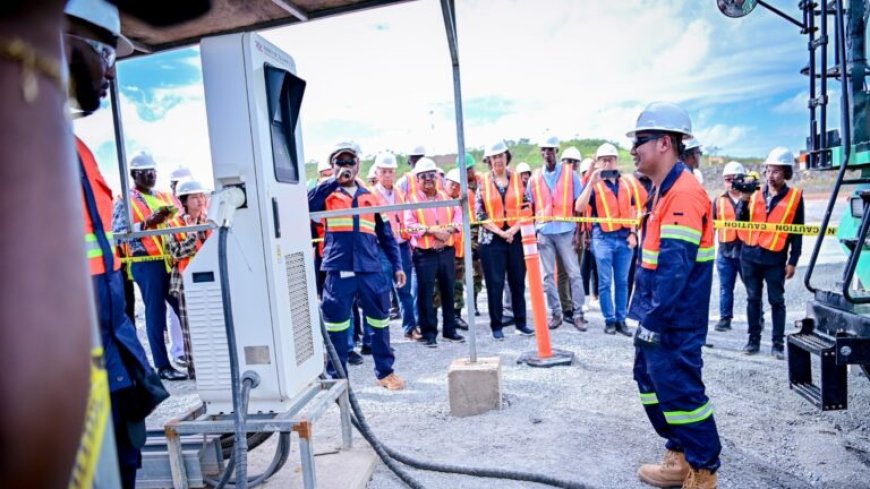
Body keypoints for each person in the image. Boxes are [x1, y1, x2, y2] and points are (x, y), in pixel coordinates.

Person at [67, 0, 166, 485]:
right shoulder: (21, 141)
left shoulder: (72, 144)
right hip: (67, 364)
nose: (110, 69)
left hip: (108, 345)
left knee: (123, 456)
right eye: (103, 51)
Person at [627, 102, 721, 489]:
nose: (634, 150)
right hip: (660, 313)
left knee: (680, 388)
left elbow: (675, 267)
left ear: (665, 143)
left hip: (673, 318)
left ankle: (703, 470)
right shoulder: (662, 191)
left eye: (640, 141)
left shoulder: (682, 194)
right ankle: (680, 455)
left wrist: (655, 319)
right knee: (651, 380)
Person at [309, 141, 407, 390]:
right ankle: (336, 378)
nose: (345, 166)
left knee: (379, 322)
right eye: (340, 162)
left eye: (349, 162)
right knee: (336, 325)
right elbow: (308, 206)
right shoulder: (326, 194)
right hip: (338, 269)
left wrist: (397, 265)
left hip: (370, 269)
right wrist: (333, 180)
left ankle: (385, 372)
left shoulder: (370, 197)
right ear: (332, 166)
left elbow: (386, 234)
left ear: (358, 165)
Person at [113, 153, 187, 381]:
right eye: (146, 172)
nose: (152, 176)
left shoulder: (164, 195)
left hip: (168, 259)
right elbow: (117, 234)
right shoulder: (125, 201)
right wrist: (146, 223)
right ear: (135, 175)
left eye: (154, 171)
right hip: (145, 263)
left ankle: (196, 358)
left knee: (183, 308)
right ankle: (163, 365)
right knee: (156, 312)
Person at [736, 147, 804, 359]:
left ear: (786, 173)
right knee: (752, 299)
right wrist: (743, 201)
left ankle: (777, 344)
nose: (770, 176)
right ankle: (753, 340)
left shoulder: (794, 197)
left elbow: (798, 231)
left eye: (776, 172)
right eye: (768, 171)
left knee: (777, 301)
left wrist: (793, 260)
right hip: (750, 255)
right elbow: (740, 221)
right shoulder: (754, 194)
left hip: (775, 257)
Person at [575, 143, 637, 336]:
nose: (608, 163)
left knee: (622, 282)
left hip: (625, 238)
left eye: (611, 159)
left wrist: (634, 233)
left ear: (616, 161)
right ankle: (609, 320)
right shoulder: (594, 185)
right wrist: (591, 182)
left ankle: (621, 319)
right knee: (604, 282)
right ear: (598, 163)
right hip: (603, 238)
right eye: (604, 160)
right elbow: (579, 207)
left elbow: (634, 209)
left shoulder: (627, 183)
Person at [527, 135, 588, 331]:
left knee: (574, 274)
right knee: (548, 277)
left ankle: (578, 314)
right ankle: (556, 313)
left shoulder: (571, 175)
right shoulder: (534, 179)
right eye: (544, 150)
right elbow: (530, 206)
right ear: (541, 152)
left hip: (566, 231)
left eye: (551, 150)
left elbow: (579, 207)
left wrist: (579, 233)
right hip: (544, 232)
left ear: (556, 152)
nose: (547, 153)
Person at [405, 158, 466, 347]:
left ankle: (450, 330)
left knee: (448, 291)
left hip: (446, 251)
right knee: (425, 295)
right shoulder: (412, 201)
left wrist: (446, 232)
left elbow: (458, 218)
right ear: (417, 179)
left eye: (431, 175)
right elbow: (409, 226)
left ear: (437, 177)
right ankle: (429, 333)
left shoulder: (447, 198)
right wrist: (432, 231)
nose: (428, 179)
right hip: (425, 255)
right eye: (423, 176)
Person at [476, 141, 534, 339]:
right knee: (495, 283)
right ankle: (497, 326)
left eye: (501, 156)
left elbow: (527, 208)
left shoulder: (518, 179)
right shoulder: (482, 182)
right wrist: (501, 233)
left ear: (506, 157)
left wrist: (513, 230)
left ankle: (521, 322)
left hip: (515, 238)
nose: (498, 160)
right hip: (492, 240)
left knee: (518, 282)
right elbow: (480, 214)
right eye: (494, 157)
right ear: (489, 161)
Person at [371, 151, 419, 340]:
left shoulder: (400, 193)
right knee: (382, 291)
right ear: (376, 173)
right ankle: (382, 335)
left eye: (391, 171)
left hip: (401, 246)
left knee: (405, 290)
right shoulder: (371, 195)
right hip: (381, 248)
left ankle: (410, 328)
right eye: (384, 171)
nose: (388, 175)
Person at [167, 178, 212, 379]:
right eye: (194, 197)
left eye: (201, 195)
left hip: (212, 279)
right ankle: (197, 371)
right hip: (187, 281)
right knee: (191, 328)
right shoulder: (174, 225)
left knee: (213, 323)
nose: (200, 200)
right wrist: (192, 236)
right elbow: (175, 253)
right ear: (184, 201)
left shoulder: (211, 220)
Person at [445, 165, 484, 328]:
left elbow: (474, 224)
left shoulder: (467, 196)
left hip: (461, 249)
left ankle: (456, 316)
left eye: (458, 184)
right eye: (452, 184)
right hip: (444, 249)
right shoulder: (441, 199)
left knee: (458, 284)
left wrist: (474, 247)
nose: (455, 187)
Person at [712, 161, 748, 332]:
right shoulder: (718, 201)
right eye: (727, 179)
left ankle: (757, 318)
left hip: (746, 250)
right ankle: (725, 318)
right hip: (725, 251)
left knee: (752, 288)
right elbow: (711, 225)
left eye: (733, 178)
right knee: (726, 288)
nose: (730, 182)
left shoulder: (751, 199)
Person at [167, 166, 193, 369]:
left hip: (206, 276)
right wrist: (195, 240)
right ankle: (181, 352)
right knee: (180, 318)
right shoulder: (174, 220)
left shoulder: (207, 215)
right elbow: (175, 250)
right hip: (183, 277)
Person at [577, 158, 599, 311]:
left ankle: (595, 296)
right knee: (585, 265)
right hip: (586, 231)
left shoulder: (599, 189)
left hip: (596, 229)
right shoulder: (584, 186)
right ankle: (584, 296)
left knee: (596, 266)